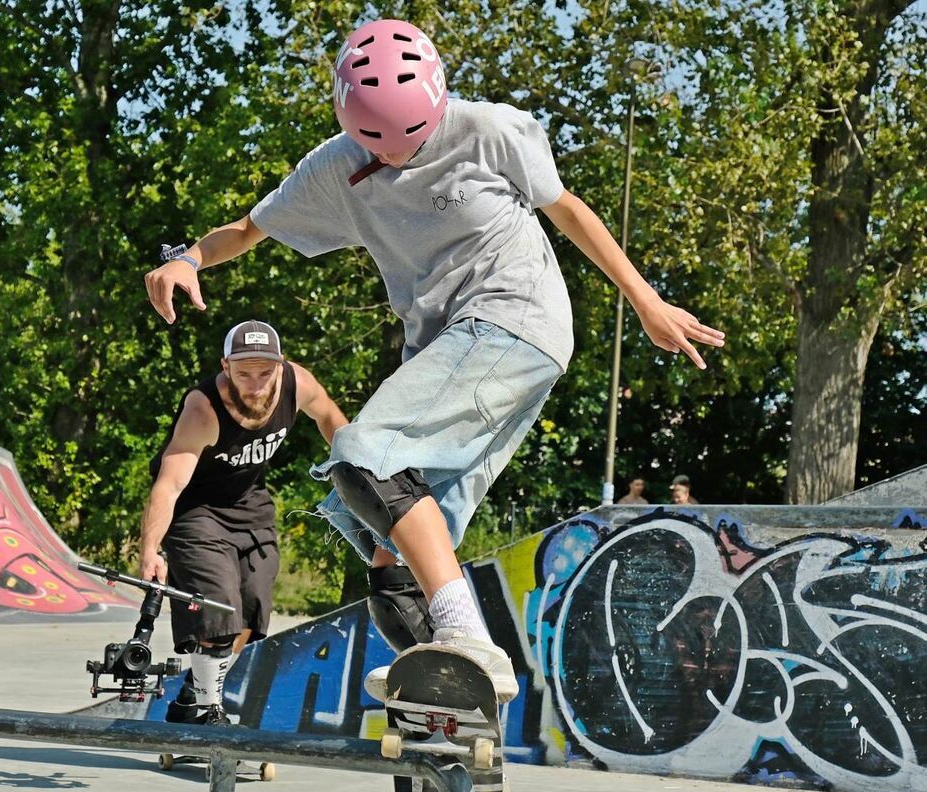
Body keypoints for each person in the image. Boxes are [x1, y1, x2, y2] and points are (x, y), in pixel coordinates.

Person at [143, 18, 725, 706]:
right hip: (454, 351)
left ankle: (469, 638)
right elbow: (248, 229)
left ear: (438, 101)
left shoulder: (488, 129)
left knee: (363, 456)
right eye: (378, 150)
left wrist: (645, 301)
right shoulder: (335, 167)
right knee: (394, 561)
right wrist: (186, 256)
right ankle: (453, 711)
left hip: (515, 318)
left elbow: (567, 209)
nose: (394, 162)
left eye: (410, 147)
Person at [140, 320, 348, 725]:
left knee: (252, 608)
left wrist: (358, 466)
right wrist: (150, 548)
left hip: (250, 503)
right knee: (219, 608)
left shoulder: (296, 383)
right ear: (226, 366)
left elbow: (329, 418)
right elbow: (170, 482)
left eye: (265, 373)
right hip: (196, 508)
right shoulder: (203, 409)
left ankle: (192, 695)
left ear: (281, 366)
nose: (255, 385)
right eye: (244, 374)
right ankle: (207, 711)